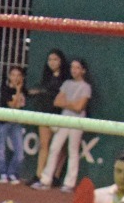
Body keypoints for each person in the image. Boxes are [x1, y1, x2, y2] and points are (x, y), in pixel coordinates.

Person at [34, 57, 91, 191]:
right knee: (54, 147)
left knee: (73, 150)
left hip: (77, 121)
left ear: (83, 70)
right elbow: (57, 102)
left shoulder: (86, 87)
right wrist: (72, 104)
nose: (74, 70)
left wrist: (67, 103)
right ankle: (45, 180)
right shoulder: (66, 83)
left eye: (77, 68)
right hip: (64, 119)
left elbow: (79, 107)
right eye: (72, 67)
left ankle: (69, 184)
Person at [27, 49, 67, 183]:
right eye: (50, 59)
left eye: (55, 59)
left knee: (60, 148)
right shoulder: (46, 78)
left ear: (61, 61)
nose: (52, 62)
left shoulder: (66, 80)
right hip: (45, 114)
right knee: (44, 145)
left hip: (61, 115)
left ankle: (56, 176)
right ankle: (39, 175)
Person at [0, 64, 28, 184]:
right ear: (9, 76)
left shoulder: (24, 90)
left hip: (16, 123)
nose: (15, 77)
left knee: (20, 153)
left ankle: (12, 173)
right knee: (1, 149)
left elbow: (29, 94)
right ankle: (2, 173)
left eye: (18, 75)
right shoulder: (5, 89)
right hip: (3, 123)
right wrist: (18, 90)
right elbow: (12, 105)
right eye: (13, 75)